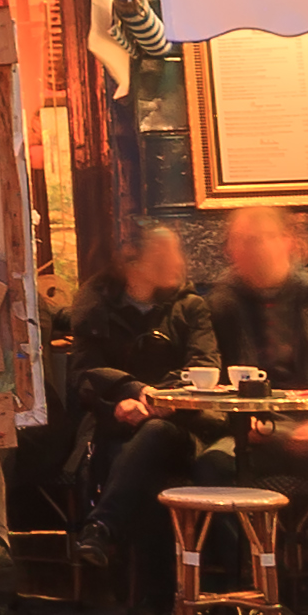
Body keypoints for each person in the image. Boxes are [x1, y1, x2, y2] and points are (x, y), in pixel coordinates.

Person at [90, 208, 308, 600]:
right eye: (241, 241)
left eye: (261, 238)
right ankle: (244, 583)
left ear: (287, 242)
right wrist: (231, 422)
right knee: (211, 466)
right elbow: (202, 373)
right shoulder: (219, 306)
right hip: (249, 436)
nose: (251, 250)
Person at [62, 223, 213, 591]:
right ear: (134, 262)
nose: (179, 261)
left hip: (181, 424)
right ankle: (150, 601)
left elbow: (206, 366)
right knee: (137, 463)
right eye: (166, 253)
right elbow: (82, 373)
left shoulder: (190, 307)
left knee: (153, 438)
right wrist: (123, 397)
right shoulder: (96, 305)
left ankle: (101, 528)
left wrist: (158, 399)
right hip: (114, 422)